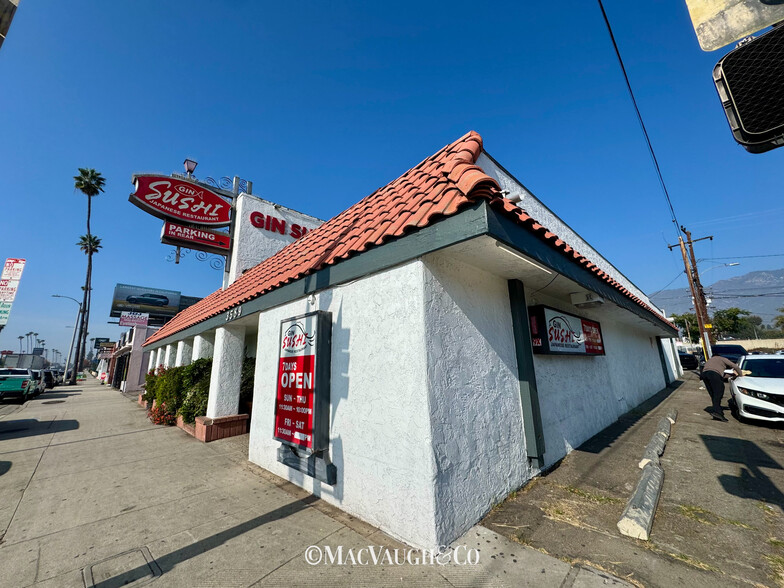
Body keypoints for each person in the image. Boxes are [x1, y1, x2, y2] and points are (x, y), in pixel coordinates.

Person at [701, 354, 741, 421]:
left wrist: (733, 375)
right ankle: (718, 412)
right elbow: (735, 366)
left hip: (704, 375)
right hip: (713, 374)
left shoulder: (710, 360)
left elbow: (720, 375)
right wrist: (740, 374)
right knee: (719, 392)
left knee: (713, 394)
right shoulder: (722, 359)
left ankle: (717, 410)